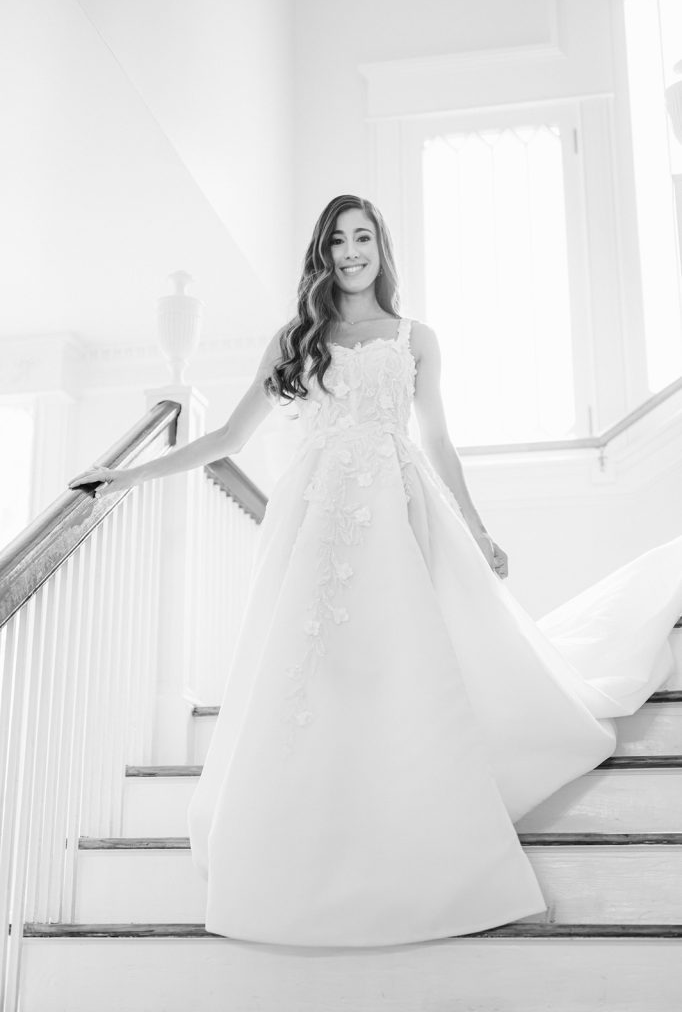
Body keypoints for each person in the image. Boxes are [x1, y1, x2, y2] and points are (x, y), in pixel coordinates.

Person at [68, 193, 682, 947]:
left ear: (381, 248)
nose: (351, 252)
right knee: (313, 672)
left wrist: (479, 529)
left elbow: (440, 440)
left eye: (363, 238)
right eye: (337, 241)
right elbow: (227, 435)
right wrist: (127, 476)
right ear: (321, 255)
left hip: (394, 510)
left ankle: (425, 829)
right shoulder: (300, 337)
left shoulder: (416, 337)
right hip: (317, 520)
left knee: (400, 664)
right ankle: (312, 830)